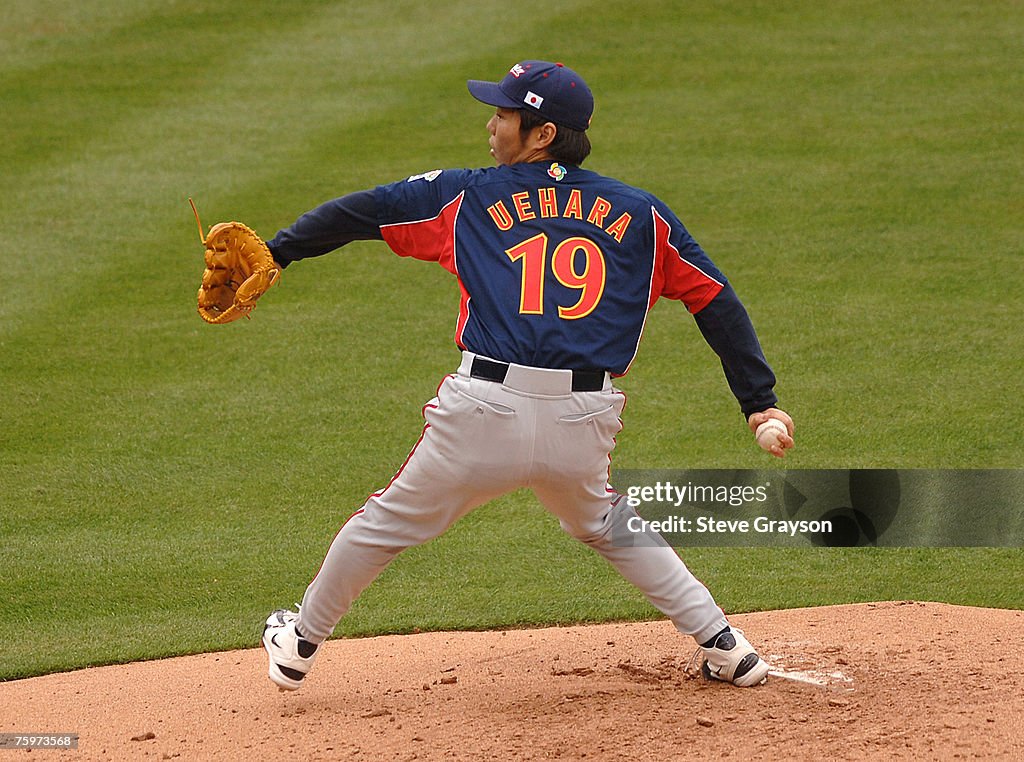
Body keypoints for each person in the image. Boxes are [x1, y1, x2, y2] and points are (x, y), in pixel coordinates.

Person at [260, 60, 795, 692]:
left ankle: (298, 644)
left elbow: (361, 212)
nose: (491, 125)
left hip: (482, 413)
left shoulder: (468, 193)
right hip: (582, 422)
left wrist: (279, 251)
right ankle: (726, 646)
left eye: (504, 115)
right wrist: (757, 400)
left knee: (385, 523)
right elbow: (715, 298)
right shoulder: (642, 212)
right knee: (604, 523)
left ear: (541, 134)